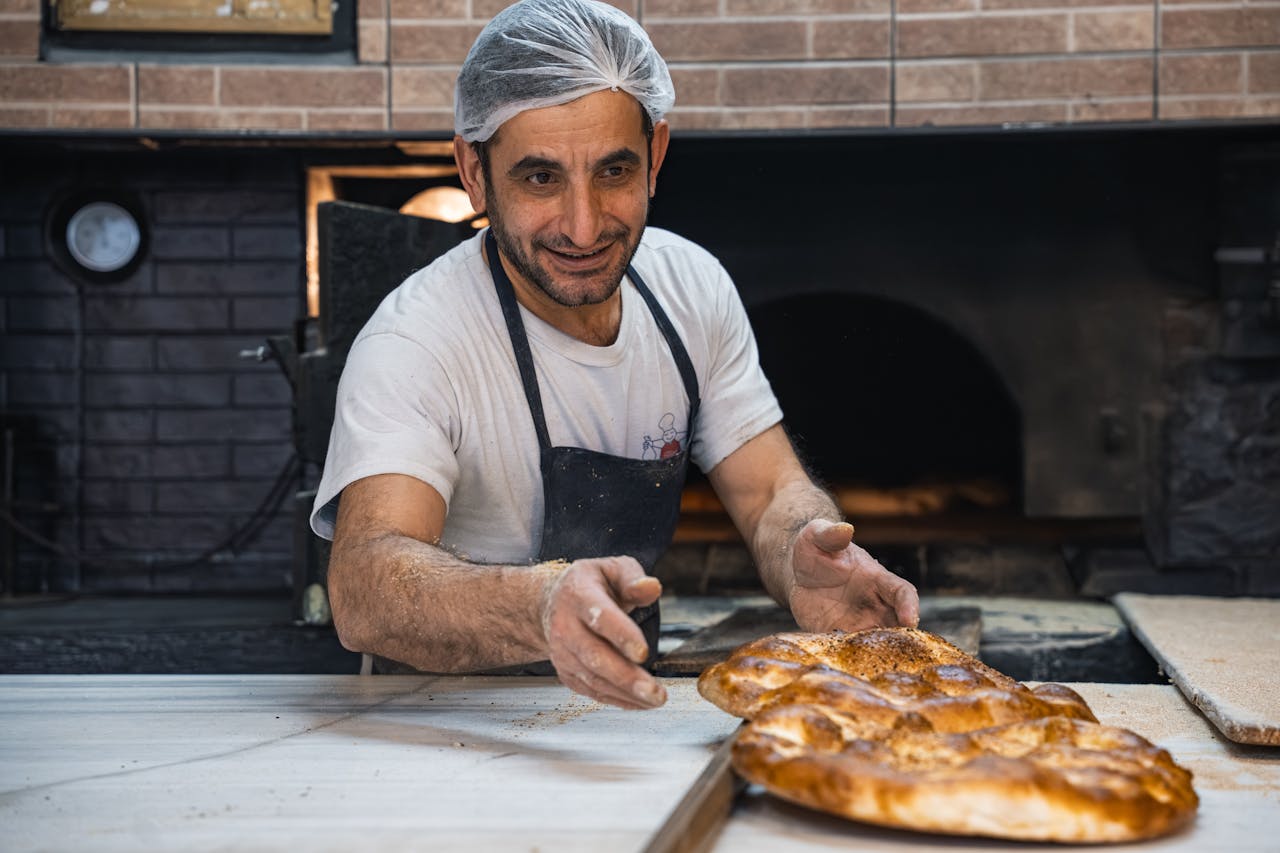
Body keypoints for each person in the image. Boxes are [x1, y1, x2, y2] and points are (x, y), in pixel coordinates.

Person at [310, 0, 918, 710]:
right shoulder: (416, 342)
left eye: (613, 171)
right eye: (540, 178)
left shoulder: (690, 287)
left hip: (622, 714)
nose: (583, 226)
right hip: (438, 726)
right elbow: (365, 583)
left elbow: (768, 492)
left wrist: (802, 549)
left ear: (655, 156)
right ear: (473, 171)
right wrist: (540, 604)